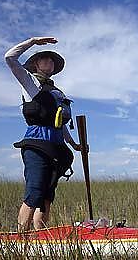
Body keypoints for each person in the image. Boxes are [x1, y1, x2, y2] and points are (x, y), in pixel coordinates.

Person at [5, 37, 81, 231]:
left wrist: (74, 145)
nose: (49, 62)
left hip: (57, 148)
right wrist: (32, 42)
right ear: (36, 64)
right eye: (44, 58)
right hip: (37, 145)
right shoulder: (30, 83)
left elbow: (60, 123)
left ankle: (41, 238)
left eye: (51, 60)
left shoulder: (57, 93)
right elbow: (10, 57)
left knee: (47, 196)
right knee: (34, 193)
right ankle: (21, 240)